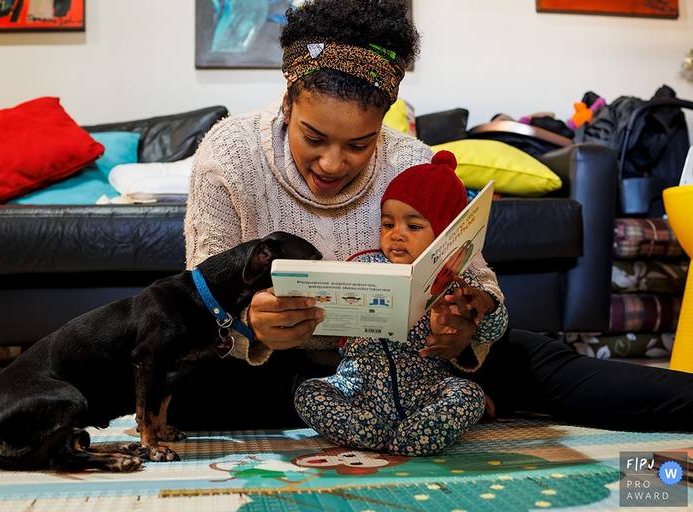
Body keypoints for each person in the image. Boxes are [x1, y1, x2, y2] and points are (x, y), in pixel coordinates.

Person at [179, 0, 693, 432]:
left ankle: (432, 403)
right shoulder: (229, 154)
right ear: (288, 102)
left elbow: (476, 277)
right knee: (183, 392)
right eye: (314, 138)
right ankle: (417, 410)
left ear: (382, 122)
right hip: (280, 365)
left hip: (418, 362)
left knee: (564, 371)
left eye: (359, 144)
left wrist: (469, 318)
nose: (332, 164)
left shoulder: (414, 162)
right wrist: (248, 320)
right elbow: (203, 294)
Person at [293, 151, 507, 456]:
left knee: (469, 395)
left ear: (445, 233)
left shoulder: (456, 281)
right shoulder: (365, 264)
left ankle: (414, 436)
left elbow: (492, 332)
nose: (396, 236)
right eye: (387, 224)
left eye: (413, 227)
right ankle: (367, 433)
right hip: (358, 386)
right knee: (309, 393)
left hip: (426, 389)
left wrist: (484, 306)